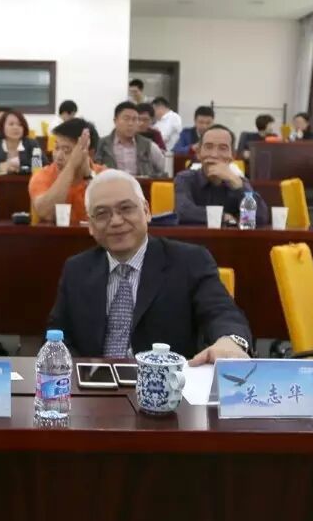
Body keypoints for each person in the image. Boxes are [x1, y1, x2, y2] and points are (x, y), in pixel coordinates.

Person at [47, 169, 253, 363]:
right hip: (95, 384)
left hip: (167, 384)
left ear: (146, 211)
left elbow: (222, 313)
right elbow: (57, 338)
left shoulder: (190, 261)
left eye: (126, 208)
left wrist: (229, 341)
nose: (116, 221)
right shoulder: (77, 269)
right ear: (90, 226)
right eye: (102, 214)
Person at [173, 125, 270, 226]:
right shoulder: (185, 179)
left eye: (223, 148)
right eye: (208, 147)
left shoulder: (239, 182)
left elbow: (259, 218)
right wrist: (223, 217)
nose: (214, 155)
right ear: (198, 153)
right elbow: (182, 211)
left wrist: (239, 186)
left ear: (233, 156)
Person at [29, 118, 105, 224]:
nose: (58, 156)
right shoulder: (43, 175)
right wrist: (72, 165)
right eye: (56, 148)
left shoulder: (104, 175)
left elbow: (106, 213)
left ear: (90, 153)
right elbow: (46, 213)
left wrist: (88, 176)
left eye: (66, 150)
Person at [95, 102, 170, 178]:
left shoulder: (148, 145)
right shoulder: (102, 144)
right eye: (126, 119)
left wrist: (150, 177)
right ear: (115, 121)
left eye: (134, 119)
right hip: (112, 184)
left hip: (141, 185)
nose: (130, 123)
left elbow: (166, 171)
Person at [0, 109, 47, 173]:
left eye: (20, 125)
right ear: (2, 127)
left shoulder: (32, 144)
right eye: (11, 124)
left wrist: (20, 169)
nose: (15, 127)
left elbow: (44, 167)